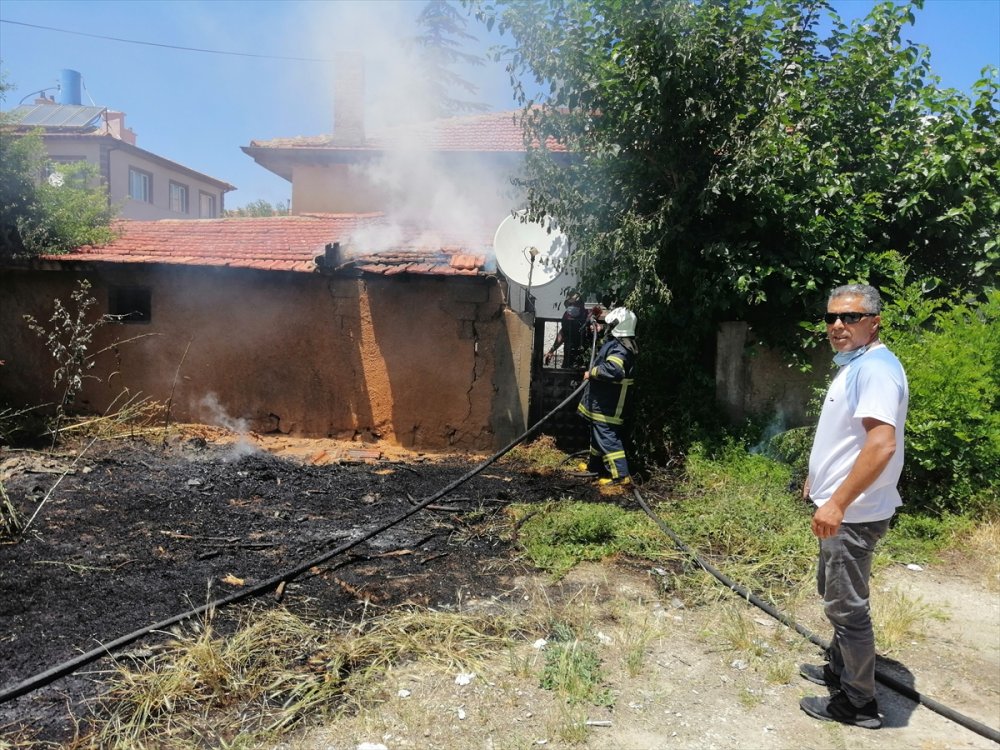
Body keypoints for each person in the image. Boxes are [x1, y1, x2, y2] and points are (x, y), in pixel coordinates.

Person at [799, 283, 909, 730]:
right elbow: (848, 437)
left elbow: (882, 445)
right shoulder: (858, 363)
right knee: (835, 593)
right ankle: (840, 669)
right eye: (832, 317)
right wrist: (818, 477)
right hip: (844, 507)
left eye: (851, 317)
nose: (838, 325)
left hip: (854, 513)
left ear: (874, 322)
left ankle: (858, 703)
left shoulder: (875, 370)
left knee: (847, 608)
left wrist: (838, 503)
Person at [576, 306, 637, 486]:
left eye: (610, 325)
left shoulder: (621, 348)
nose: (608, 328)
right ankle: (595, 467)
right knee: (598, 434)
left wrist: (592, 372)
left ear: (619, 325)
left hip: (610, 403)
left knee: (607, 437)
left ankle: (621, 476)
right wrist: (599, 328)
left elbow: (614, 370)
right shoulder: (619, 343)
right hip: (603, 401)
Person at [544, 292, 589, 369]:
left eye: (574, 304)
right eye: (569, 304)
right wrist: (551, 351)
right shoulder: (567, 315)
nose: (572, 306)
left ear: (581, 304)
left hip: (584, 356)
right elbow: (563, 333)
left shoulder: (587, 315)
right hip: (568, 356)